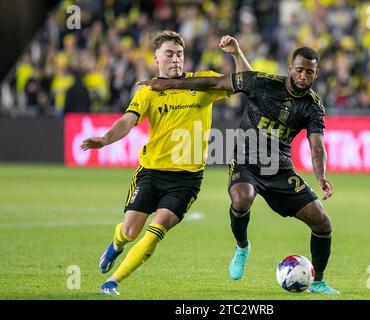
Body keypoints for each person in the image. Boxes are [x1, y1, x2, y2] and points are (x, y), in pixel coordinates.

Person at [138, 47, 339, 294]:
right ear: (290, 69)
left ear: (316, 73)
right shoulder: (261, 83)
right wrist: (172, 84)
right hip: (245, 161)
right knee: (242, 198)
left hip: (280, 169)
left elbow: (316, 146)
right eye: (299, 70)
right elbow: (216, 81)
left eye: (309, 72)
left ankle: (317, 281)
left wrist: (321, 177)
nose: (303, 76)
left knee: (322, 222)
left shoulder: (313, 107)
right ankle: (242, 246)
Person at [81, 30, 252, 295]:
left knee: (155, 231)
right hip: (150, 172)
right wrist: (105, 140)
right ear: (156, 58)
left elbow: (245, 83)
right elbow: (129, 120)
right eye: (169, 54)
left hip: (186, 179)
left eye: (180, 54)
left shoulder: (201, 83)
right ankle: (116, 245)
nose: (176, 59)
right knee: (129, 230)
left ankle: (113, 281)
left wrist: (236, 53)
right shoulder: (150, 90)